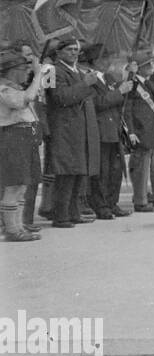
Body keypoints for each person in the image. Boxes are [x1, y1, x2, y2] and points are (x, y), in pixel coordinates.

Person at [46, 37, 105, 228]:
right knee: (66, 173)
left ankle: (73, 212)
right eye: (69, 49)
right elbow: (59, 97)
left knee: (78, 172)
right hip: (64, 128)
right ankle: (60, 215)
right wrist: (85, 84)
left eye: (76, 50)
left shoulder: (78, 71)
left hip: (80, 129)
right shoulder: (53, 70)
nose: (74, 53)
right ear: (59, 52)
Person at [0, 48, 45, 242]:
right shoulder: (4, 89)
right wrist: (37, 77)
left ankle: (18, 227)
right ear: (12, 70)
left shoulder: (14, 87)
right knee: (14, 185)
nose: (26, 72)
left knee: (22, 185)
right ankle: (12, 230)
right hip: (13, 137)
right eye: (23, 68)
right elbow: (23, 101)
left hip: (24, 137)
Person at [124, 51, 154, 213]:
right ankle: (140, 200)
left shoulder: (149, 83)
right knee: (141, 168)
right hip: (141, 131)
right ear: (139, 68)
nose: (151, 66)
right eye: (148, 64)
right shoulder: (132, 83)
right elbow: (127, 109)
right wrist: (130, 130)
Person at [89, 55, 131, 219]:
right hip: (101, 130)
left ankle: (112, 203)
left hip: (113, 129)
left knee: (116, 170)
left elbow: (121, 99)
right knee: (102, 171)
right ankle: (101, 206)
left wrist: (128, 78)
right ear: (95, 61)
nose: (108, 62)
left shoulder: (109, 78)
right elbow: (97, 102)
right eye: (104, 58)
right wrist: (119, 92)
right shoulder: (91, 80)